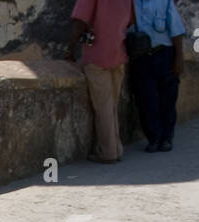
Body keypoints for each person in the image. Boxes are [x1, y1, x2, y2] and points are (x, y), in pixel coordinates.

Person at [69, 0, 136, 164]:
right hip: (119, 53)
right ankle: (116, 148)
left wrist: (69, 49)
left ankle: (108, 152)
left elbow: (80, 21)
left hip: (97, 56)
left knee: (103, 106)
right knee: (112, 103)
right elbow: (132, 20)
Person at [128, 0, 187, 153]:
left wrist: (179, 58)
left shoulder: (163, 1)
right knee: (145, 100)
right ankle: (154, 138)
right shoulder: (128, 3)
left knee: (167, 98)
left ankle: (166, 138)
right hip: (140, 58)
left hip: (164, 54)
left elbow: (175, 30)